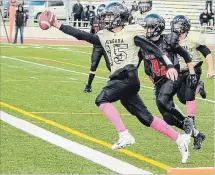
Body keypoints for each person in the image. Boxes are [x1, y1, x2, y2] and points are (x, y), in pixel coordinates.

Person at [50, 2, 191, 163]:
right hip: (118, 78)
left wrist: (170, 65)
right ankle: (180, 139)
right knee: (146, 118)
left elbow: (154, 49)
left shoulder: (133, 31)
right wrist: (57, 25)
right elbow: (81, 35)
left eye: (109, 16)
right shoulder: (104, 35)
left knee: (101, 99)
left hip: (128, 76)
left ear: (119, 17)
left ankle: (124, 134)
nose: (106, 19)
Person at [140, 13, 204, 150]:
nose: (147, 31)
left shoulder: (168, 41)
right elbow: (144, 65)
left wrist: (192, 72)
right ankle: (197, 134)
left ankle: (187, 120)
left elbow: (185, 55)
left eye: (150, 28)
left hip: (172, 77)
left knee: (164, 99)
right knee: (168, 117)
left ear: (157, 28)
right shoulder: (144, 44)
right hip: (158, 82)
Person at [171, 15, 215, 149]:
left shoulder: (193, 37)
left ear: (185, 26)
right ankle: (199, 87)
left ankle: (192, 123)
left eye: (179, 25)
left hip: (194, 68)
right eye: (175, 25)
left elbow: (207, 52)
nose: (176, 28)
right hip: (180, 70)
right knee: (182, 98)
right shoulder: (173, 39)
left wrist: (211, 69)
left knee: (189, 96)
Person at [83, 4, 111, 93]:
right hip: (97, 46)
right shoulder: (94, 19)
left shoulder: (110, 20)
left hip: (107, 46)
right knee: (93, 65)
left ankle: (115, 84)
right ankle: (88, 85)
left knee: (111, 66)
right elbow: (92, 32)